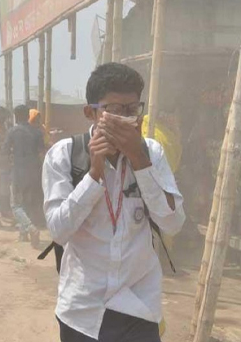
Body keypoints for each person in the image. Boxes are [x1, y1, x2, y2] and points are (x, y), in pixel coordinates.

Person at [42, 63, 185, 342]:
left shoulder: (152, 153)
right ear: (90, 112)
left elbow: (173, 223)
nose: (124, 119)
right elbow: (58, 231)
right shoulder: (64, 155)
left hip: (139, 305)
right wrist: (94, 174)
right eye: (114, 110)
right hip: (83, 309)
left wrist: (139, 160)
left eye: (131, 110)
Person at [3, 105, 43, 246]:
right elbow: (41, 152)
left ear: (15, 116)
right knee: (27, 203)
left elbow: (5, 151)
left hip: (19, 172)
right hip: (34, 172)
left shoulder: (12, 131)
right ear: (27, 116)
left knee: (16, 205)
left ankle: (31, 228)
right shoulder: (37, 132)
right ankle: (23, 235)